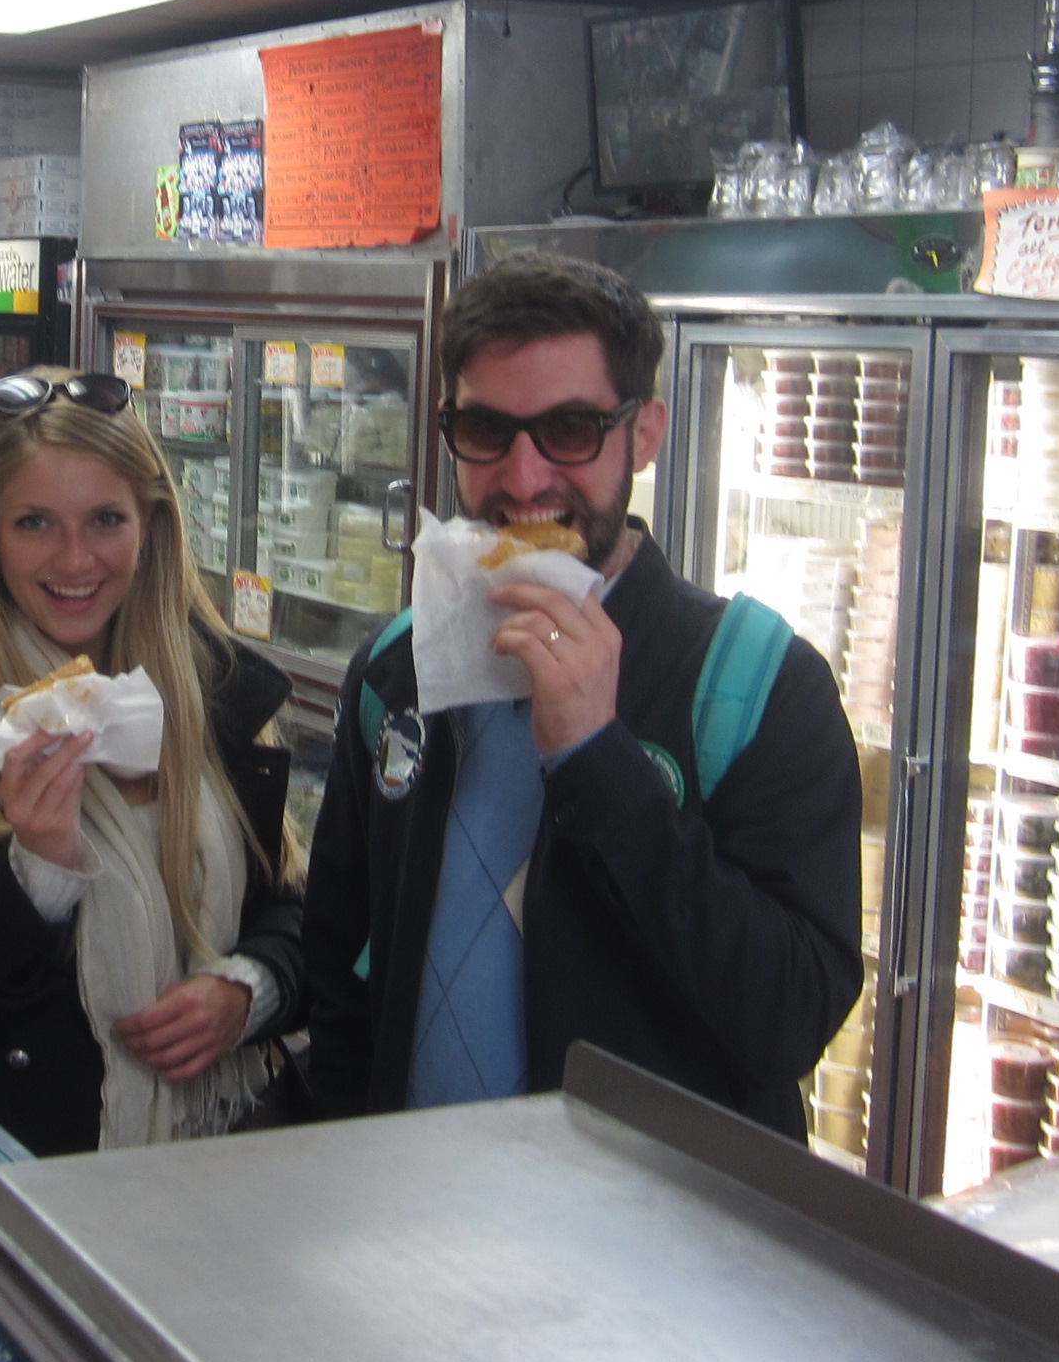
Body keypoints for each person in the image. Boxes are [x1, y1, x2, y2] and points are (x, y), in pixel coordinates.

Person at [302, 253, 861, 1141]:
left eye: (570, 429)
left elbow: (790, 1017)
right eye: (486, 429)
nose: (524, 479)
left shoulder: (759, 684)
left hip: (649, 1216)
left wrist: (600, 761)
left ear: (644, 434)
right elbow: (338, 974)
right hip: (410, 1201)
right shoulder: (394, 672)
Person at [0, 368, 305, 1156]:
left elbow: (291, 901)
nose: (75, 560)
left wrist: (250, 989)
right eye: (35, 523)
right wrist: (33, 878)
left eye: (106, 519)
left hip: (224, 1162)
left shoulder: (211, 687)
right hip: (27, 1175)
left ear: (150, 525)